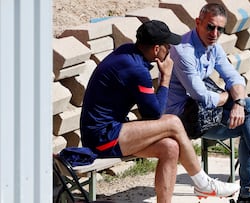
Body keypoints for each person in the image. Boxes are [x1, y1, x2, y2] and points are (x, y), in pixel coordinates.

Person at [80, 20, 240, 202]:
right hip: (101, 138)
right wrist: (165, 78)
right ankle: (203, 184)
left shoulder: (128, 52)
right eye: (168, 46)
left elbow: (150, 112)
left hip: (111, 130)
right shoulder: (136, 69)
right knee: (172, 122)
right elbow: (155, 114)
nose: (170, 50)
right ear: (157, 49)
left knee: (170, 148)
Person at [166, 3, 250, 203]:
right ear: (198, 22)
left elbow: (235, 79)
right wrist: (231, 97)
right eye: (210, 27)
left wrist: (238, 102)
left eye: (220, 29)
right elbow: (201, 95)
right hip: (181, 118)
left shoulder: (214, 47)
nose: (215, 33)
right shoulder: (183, 50)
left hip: (203, 112)